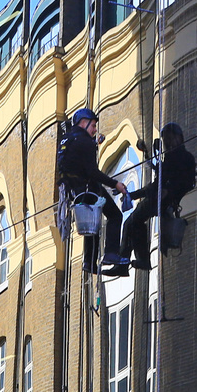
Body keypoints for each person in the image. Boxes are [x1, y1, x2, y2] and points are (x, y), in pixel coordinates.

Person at [57, 107, 133, 276]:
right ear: (83, 123)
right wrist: (115, 184)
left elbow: (75, 158)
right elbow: (93, 172)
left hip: (72, 190)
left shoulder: (67, 139)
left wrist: (93, 143)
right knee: (115, 215)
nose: (95, 129)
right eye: (92, 125)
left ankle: (88, 263)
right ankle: (111, 254)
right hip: (87, 187)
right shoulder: (85, 143)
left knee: (92, 225)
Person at [122, 123, 197, 270]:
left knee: (131, 223)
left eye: (170, 139)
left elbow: (186, 182)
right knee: (133, 223)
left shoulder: (183, 158)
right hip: (164, 198)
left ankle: (125, 261)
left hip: (166, 200)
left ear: (179, 138)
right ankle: (138, 259)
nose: (167, 143)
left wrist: (169, 191)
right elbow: (157, 184)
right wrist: (133, 194)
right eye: (165, 140)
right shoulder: (171, 157)